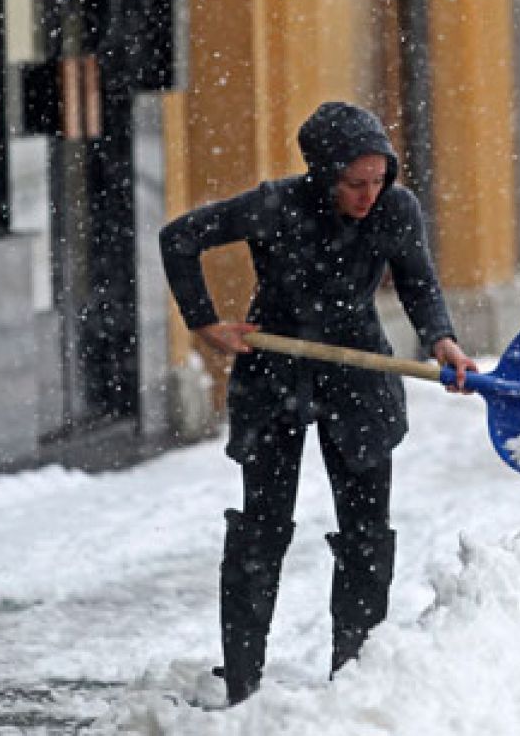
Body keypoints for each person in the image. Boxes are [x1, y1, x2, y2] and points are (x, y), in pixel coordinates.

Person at [159, 101, 477, 705]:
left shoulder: (395, 209)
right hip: (275, 373)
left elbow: (417, 279)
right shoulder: (275, 205)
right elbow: (179, 239)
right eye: (354, 183)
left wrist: (442, 340)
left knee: (364, 531)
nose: (368, 195)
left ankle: (355, 682)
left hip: (358, 376)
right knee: (262, 528)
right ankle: (244, 684)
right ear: (324, 173)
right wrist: (203, 323)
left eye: (378, 180)